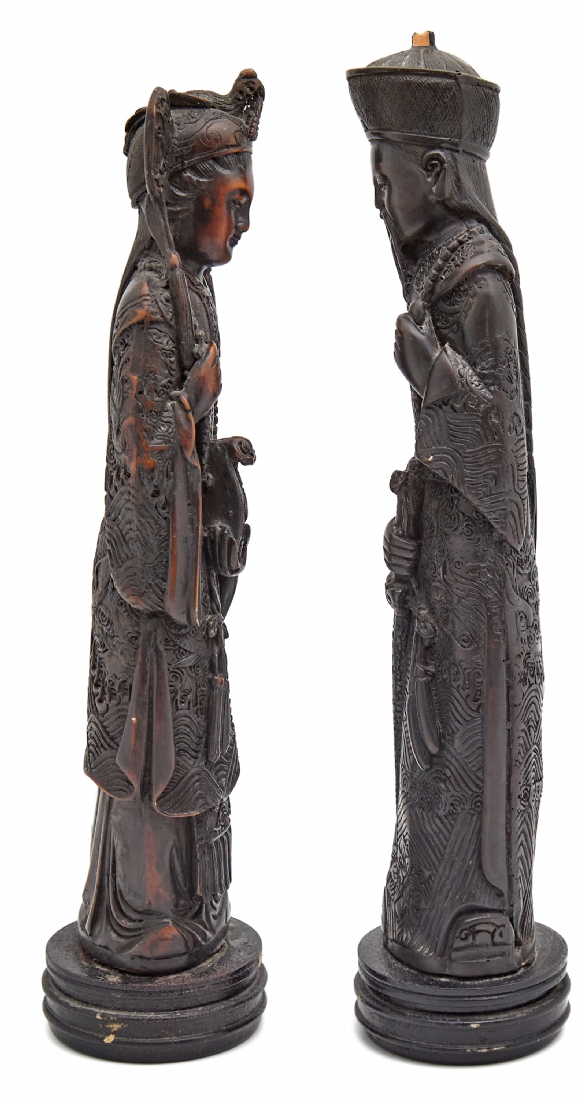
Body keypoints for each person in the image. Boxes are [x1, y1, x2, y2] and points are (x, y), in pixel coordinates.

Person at [349, 41, 542, 977]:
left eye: (385, 179)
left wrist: (433, 379)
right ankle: (431, 915)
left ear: (436, 170)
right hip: (443, 574)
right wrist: (412, 523)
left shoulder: (479, 284)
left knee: (462, 745)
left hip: (478, 592)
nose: (378, 201)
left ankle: (476, 921)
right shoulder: (438, 273)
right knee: (429, 749)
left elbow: (504, 457)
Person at [78, 73, 264, 974]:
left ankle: (188, 909)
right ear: (184, 198)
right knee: (152, 753)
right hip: (150, 586)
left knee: (187, 744)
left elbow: (181, 444)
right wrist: (193, 402)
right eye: (237, 201)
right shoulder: (151, 309)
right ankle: (141, 917)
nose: (246, 223)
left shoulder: (193, 287)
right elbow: (142, 463)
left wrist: (215, 458)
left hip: (182, 584)